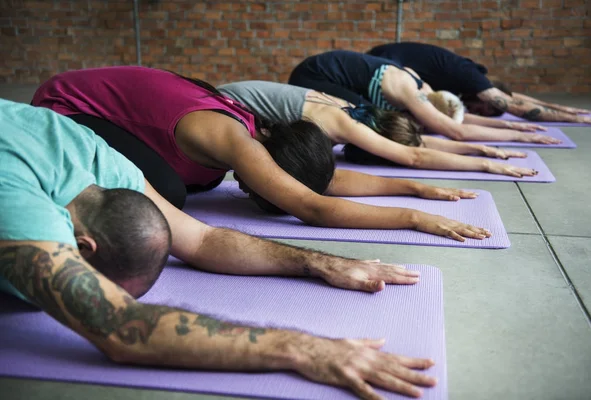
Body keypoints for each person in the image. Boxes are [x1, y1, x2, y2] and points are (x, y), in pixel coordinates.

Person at [0, 99, 437, 398]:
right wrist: (305, 349)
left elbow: (204, 239)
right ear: (81, 247)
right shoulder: (17, 203)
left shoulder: (109, 167)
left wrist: (318, 262)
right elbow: (119, 326)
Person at [33, 66, 493, 242]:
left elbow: (323, 186)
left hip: (109, 108)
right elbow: (313, 206)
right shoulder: (238, 141)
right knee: (166, 197)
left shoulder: (268, 139)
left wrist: (415, 190)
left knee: (186, 184)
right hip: (63, 109)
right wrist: (414, 220)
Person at [218, 80, 543, 177]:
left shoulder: (350, 111)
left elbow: (418, 149)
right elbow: (413, 158)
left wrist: (481, 149)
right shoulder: (342, 122)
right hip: (218, 108)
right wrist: (486, 165)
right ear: (376, 137)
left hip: (226, 104)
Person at [288, 50, 566, 142]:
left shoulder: (429, 93)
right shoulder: (412, 94)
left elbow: (458, 119)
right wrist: (519, 136)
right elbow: (455, 132)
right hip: (311, 76)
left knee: (382, 119)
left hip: (326, 71)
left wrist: (509, 125)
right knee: (369, 121)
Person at [367, 42, 591, 125]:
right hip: (380, 64)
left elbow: (515, 97)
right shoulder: (470, 76)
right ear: (484, 94)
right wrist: (575, 119)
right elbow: (515, 106)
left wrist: (562, 107)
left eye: (485, 114)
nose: (481, 111)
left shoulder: (473, 84)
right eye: (487, 108)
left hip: (385, 61)